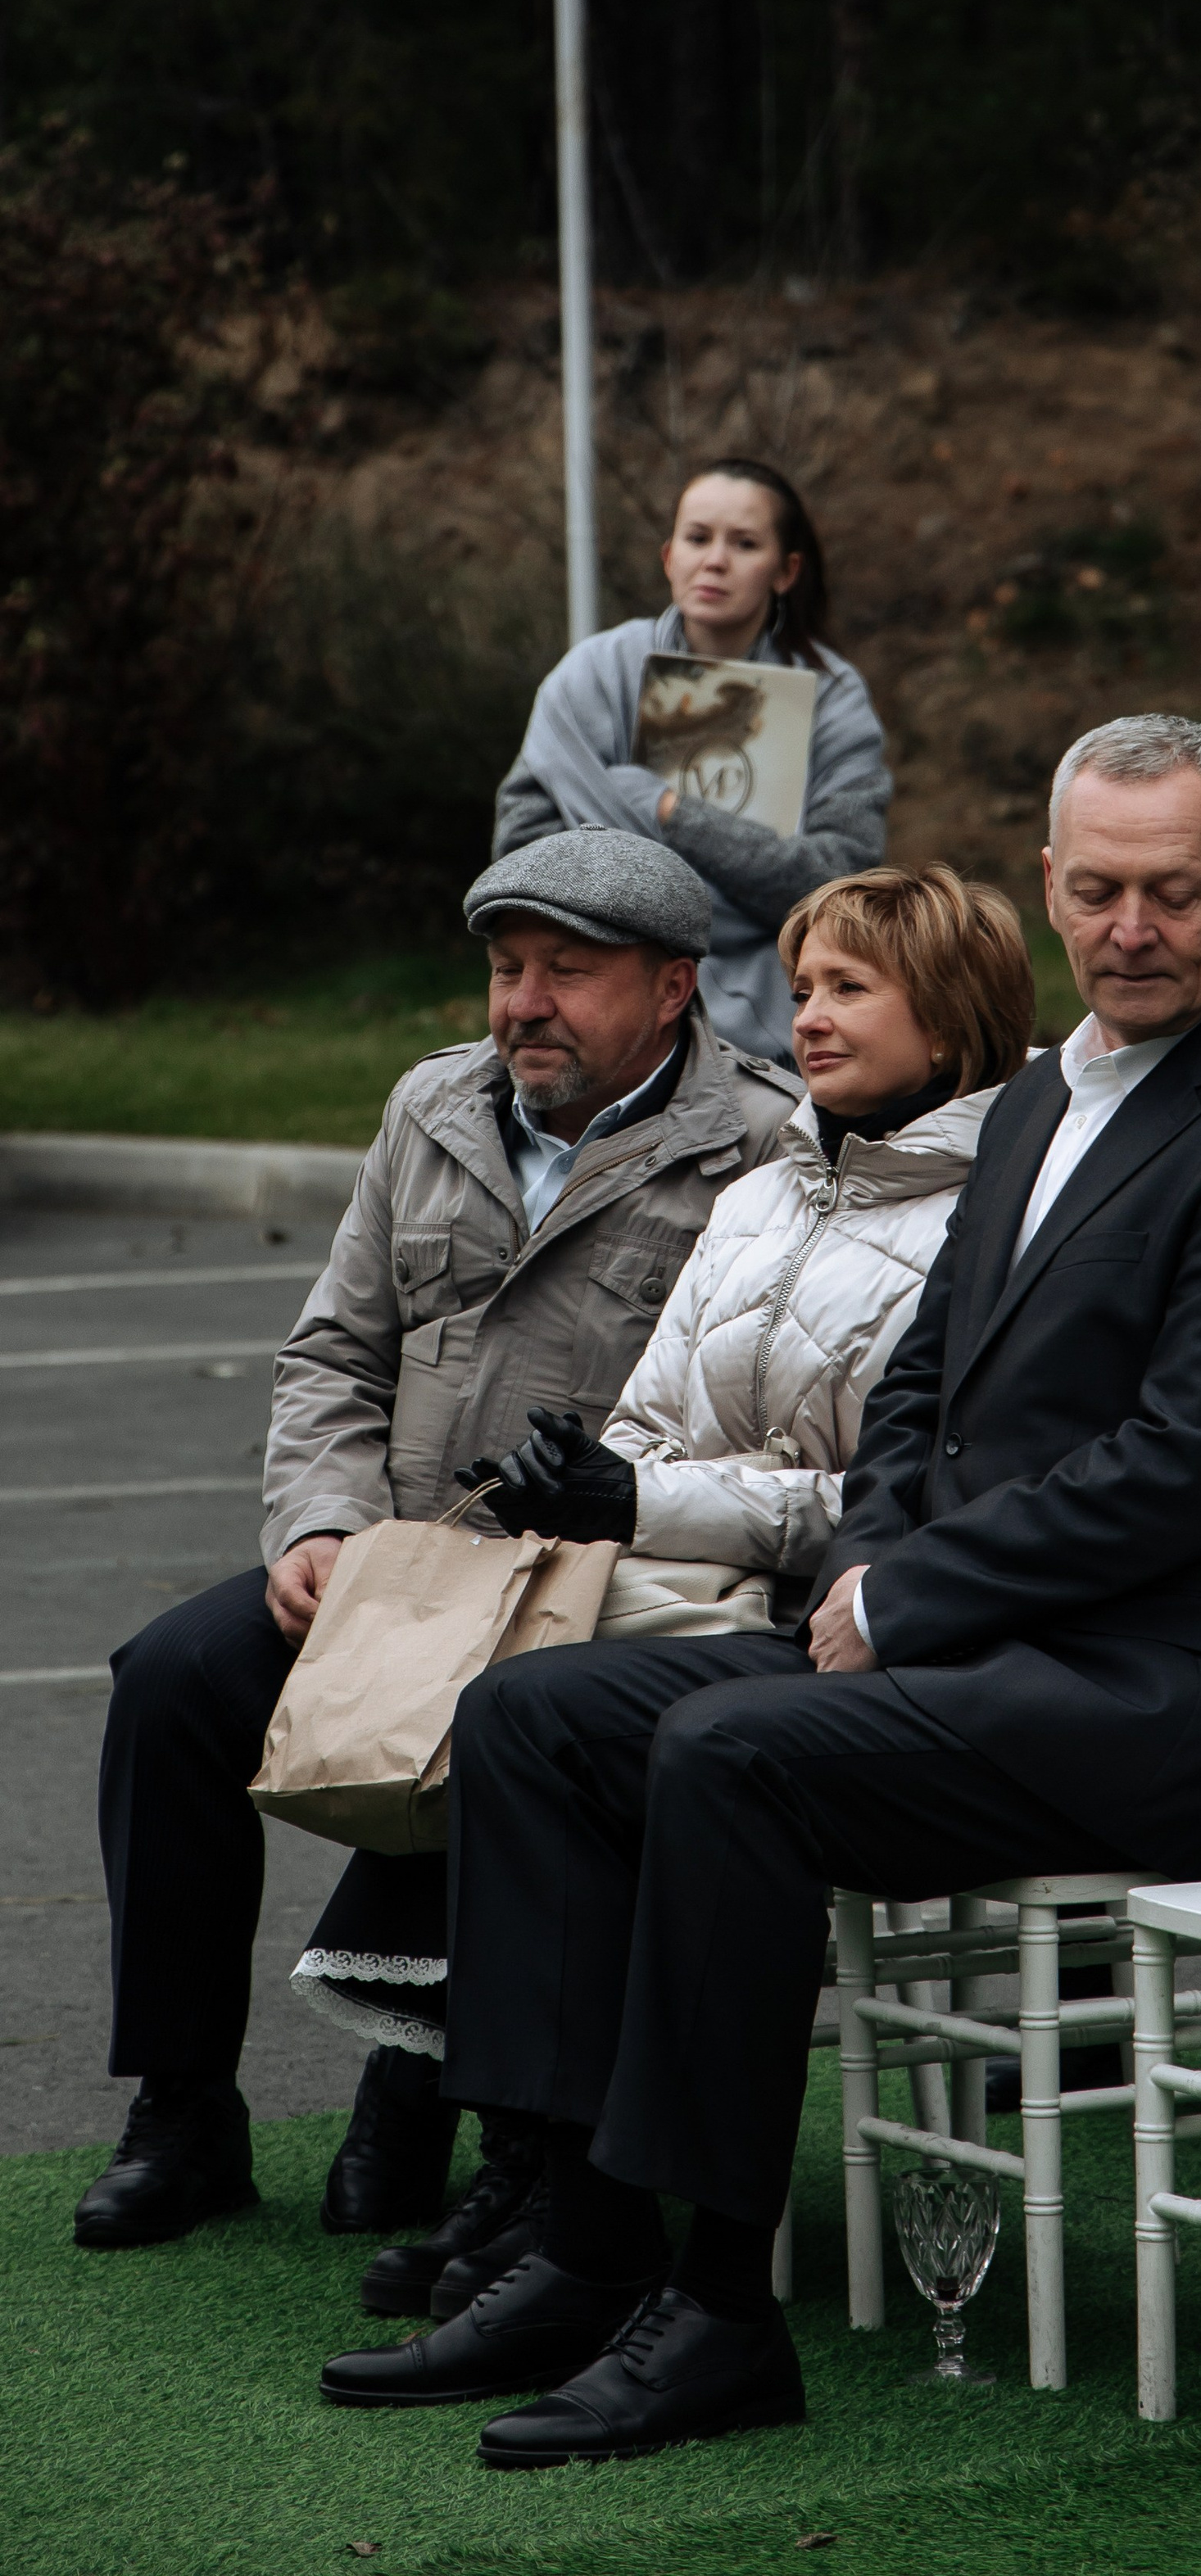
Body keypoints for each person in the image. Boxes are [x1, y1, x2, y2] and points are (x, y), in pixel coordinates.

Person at [317, 712, 1201, 2465]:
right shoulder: (1049, 1087)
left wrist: (910, 1597)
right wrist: (875, 1544)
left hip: (1160, 1697)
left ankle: (722, 2307)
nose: (1133, 927)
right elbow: (921, 1379)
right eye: (1102, 889)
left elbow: (1190, 1466)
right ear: (1050, 884)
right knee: (536, 1716)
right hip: (983, 1651)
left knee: (732, 1757)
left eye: (1176, 895)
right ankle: (576, 2235)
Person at [294, 865, 1035, 2322]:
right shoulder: (766, 1189)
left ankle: (524, 2155)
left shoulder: (985, 1225)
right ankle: (526, 2160)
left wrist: (650, 1506)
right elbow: (639, 1429)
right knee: (482, 1680)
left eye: (849, 990)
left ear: (949, 1026)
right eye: (807, 985)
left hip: (808, 1621)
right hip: (663, 1581)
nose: (809, 1016)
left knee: (512, 1701)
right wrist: (615, 1484)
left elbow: (892, 1503)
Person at [73, 831, 795, 2269]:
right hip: (392, 1574)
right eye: (505, 968)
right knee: (170, 1682)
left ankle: (429, 2080)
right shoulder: (432, 1110)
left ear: (671, 989)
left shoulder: (758, 1143)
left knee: (503, 1719)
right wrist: (323, 1526)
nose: (523, 1002)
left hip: (597, 1593)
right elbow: (335, 1352)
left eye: (566, 974)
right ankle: (185, 2106)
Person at [493, 460, 892, 1065]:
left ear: (785, 572)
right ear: (668, 556)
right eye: (698, 538)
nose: (716, 560)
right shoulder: (592, 675)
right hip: (598, 988)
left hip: (775, 1008)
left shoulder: (834, 699)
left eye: (745, 543)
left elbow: (839, 884)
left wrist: (668, 811)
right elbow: (522, 856)